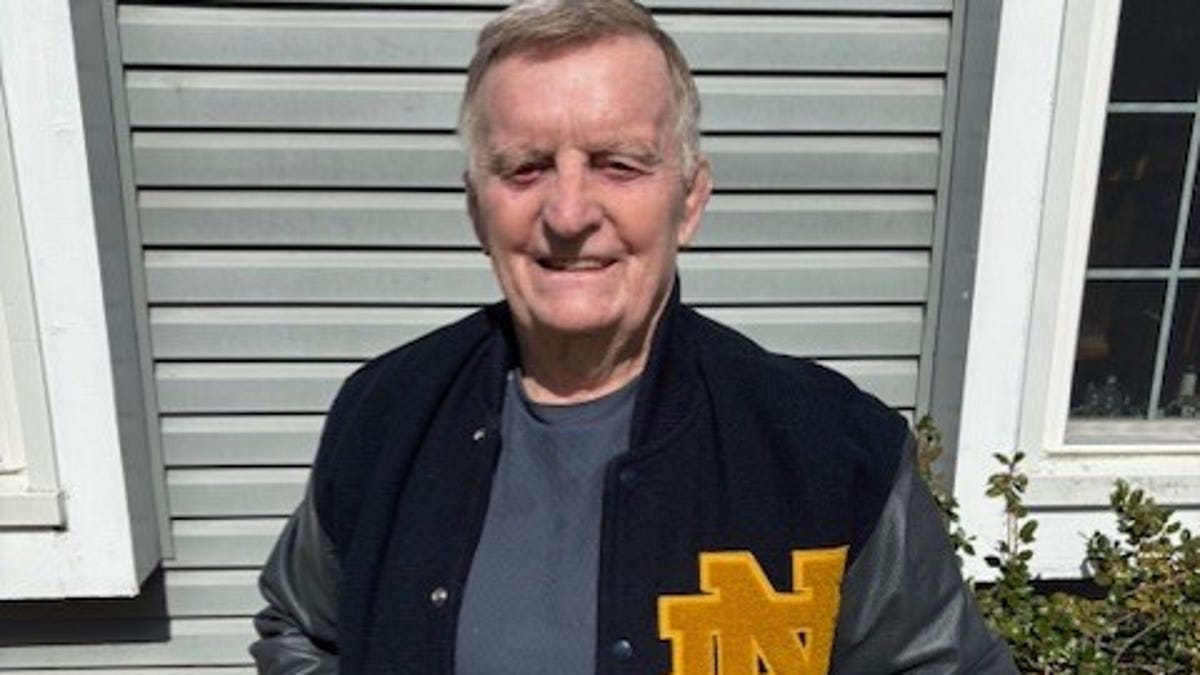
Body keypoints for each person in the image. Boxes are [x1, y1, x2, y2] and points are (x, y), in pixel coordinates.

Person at [250, 1, 1017, 672]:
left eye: (618, 164)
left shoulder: (824, 445)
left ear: (689, 201)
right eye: (526, 168)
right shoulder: (386, 414)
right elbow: (300, 629)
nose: (569, 212)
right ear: (477, 209)